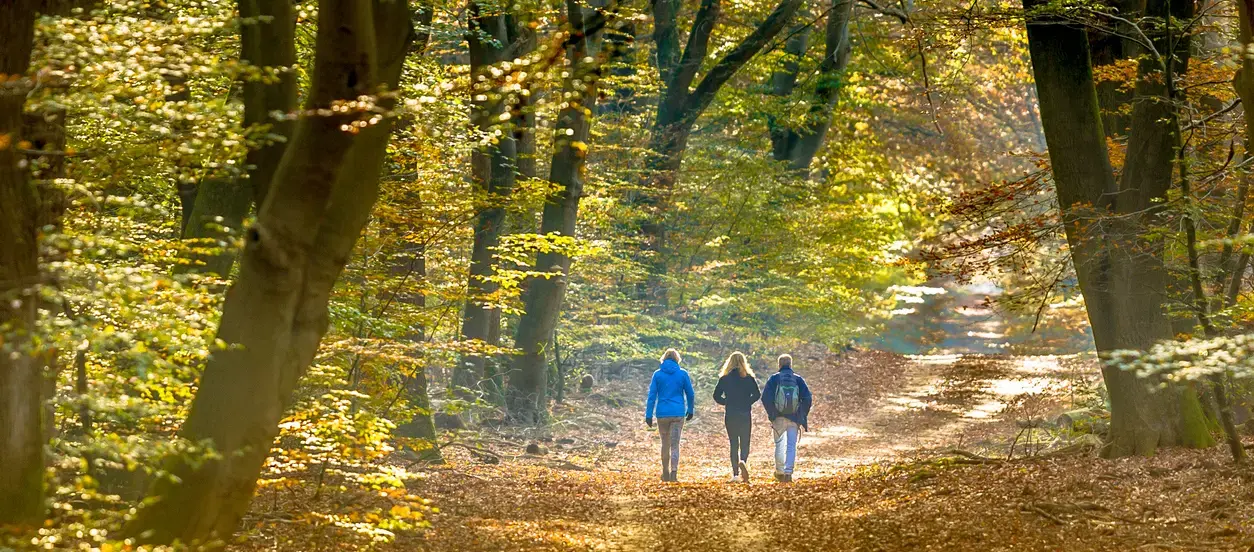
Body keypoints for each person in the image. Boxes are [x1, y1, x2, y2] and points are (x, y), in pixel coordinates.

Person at [644, 348, 695, 482]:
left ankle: (665, 472)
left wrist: (648, 415)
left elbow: (652, 396)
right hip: (678, 414)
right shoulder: (683, 374)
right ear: (677, 359)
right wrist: (690, 410)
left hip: (662, 414)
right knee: (675, 444)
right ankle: (674, 473)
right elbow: (690, 394)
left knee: (665, 443)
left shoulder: (657, 374)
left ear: (664, 359)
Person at [760, 353, 812, 483]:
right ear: (790, 364)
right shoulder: (798, 379)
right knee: (791, 446)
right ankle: (788, 473)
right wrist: (801, 415)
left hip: (778, 418)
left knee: (779, 445)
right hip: (794, 418)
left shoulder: (774, 379)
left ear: (779, 365)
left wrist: (773, 414)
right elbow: (807, 398)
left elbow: (765, 398)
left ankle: (779, 472)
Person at [713, 351, 760, 483]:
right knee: (745, 442)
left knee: (734, 443)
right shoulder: (749, 378)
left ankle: (735, 474)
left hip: (731, 414)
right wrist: (747, 402)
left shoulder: (724, 379)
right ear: (743, 362)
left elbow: (716, 396)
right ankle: (743, 462)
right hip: (745, 414)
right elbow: (757, 394)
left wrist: (727, 402)